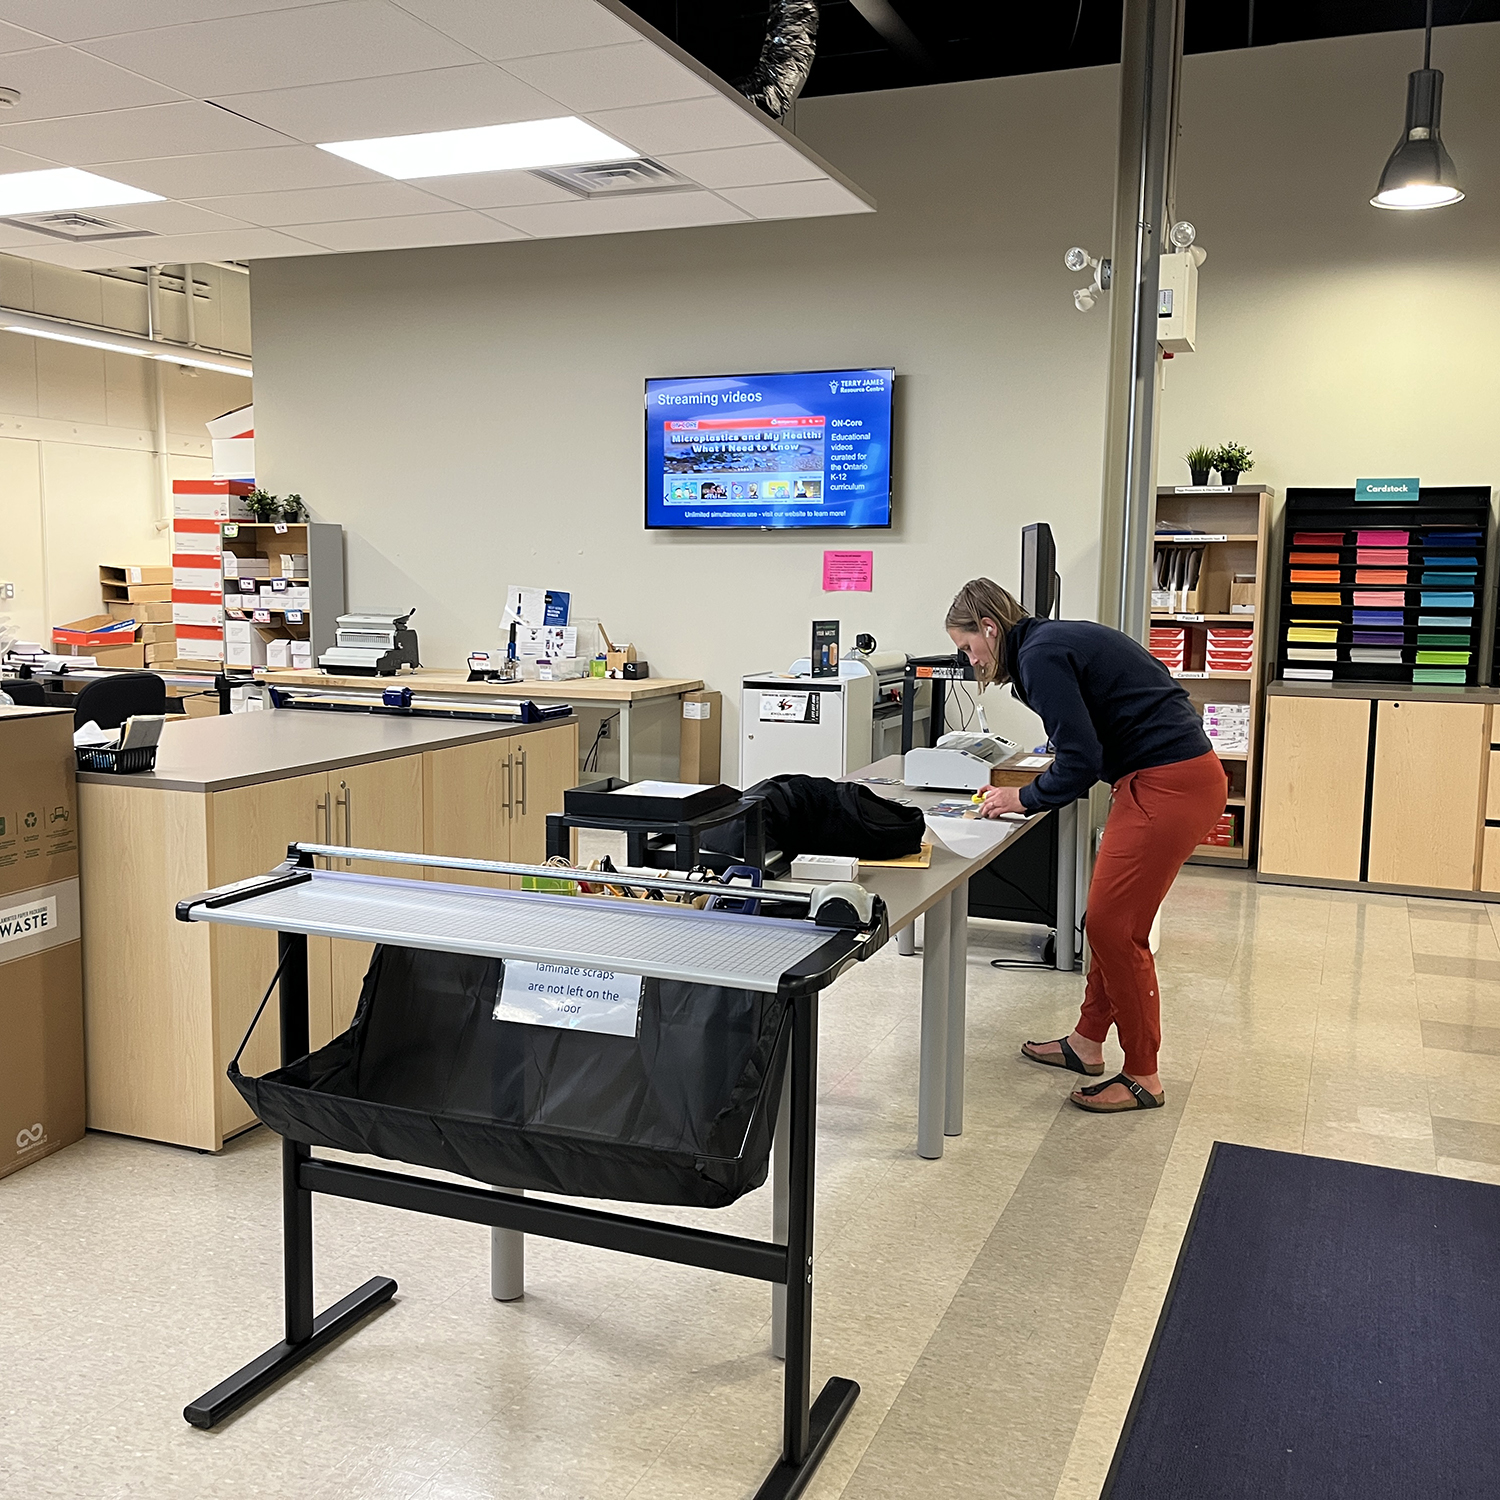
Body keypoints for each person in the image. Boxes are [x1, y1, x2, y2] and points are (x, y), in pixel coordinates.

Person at [944, 578, 1227, 1115]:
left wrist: (1021, 798)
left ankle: (1144, 1074)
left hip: (1168, 784)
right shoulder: (1049, 642)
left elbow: (1078, 764)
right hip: (1168, 777)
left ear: (988, 627)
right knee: (1108, 920)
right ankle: (1086, 1042)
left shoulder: (1040, 657)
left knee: (1114, 929)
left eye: (967, 647)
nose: (969, 661)